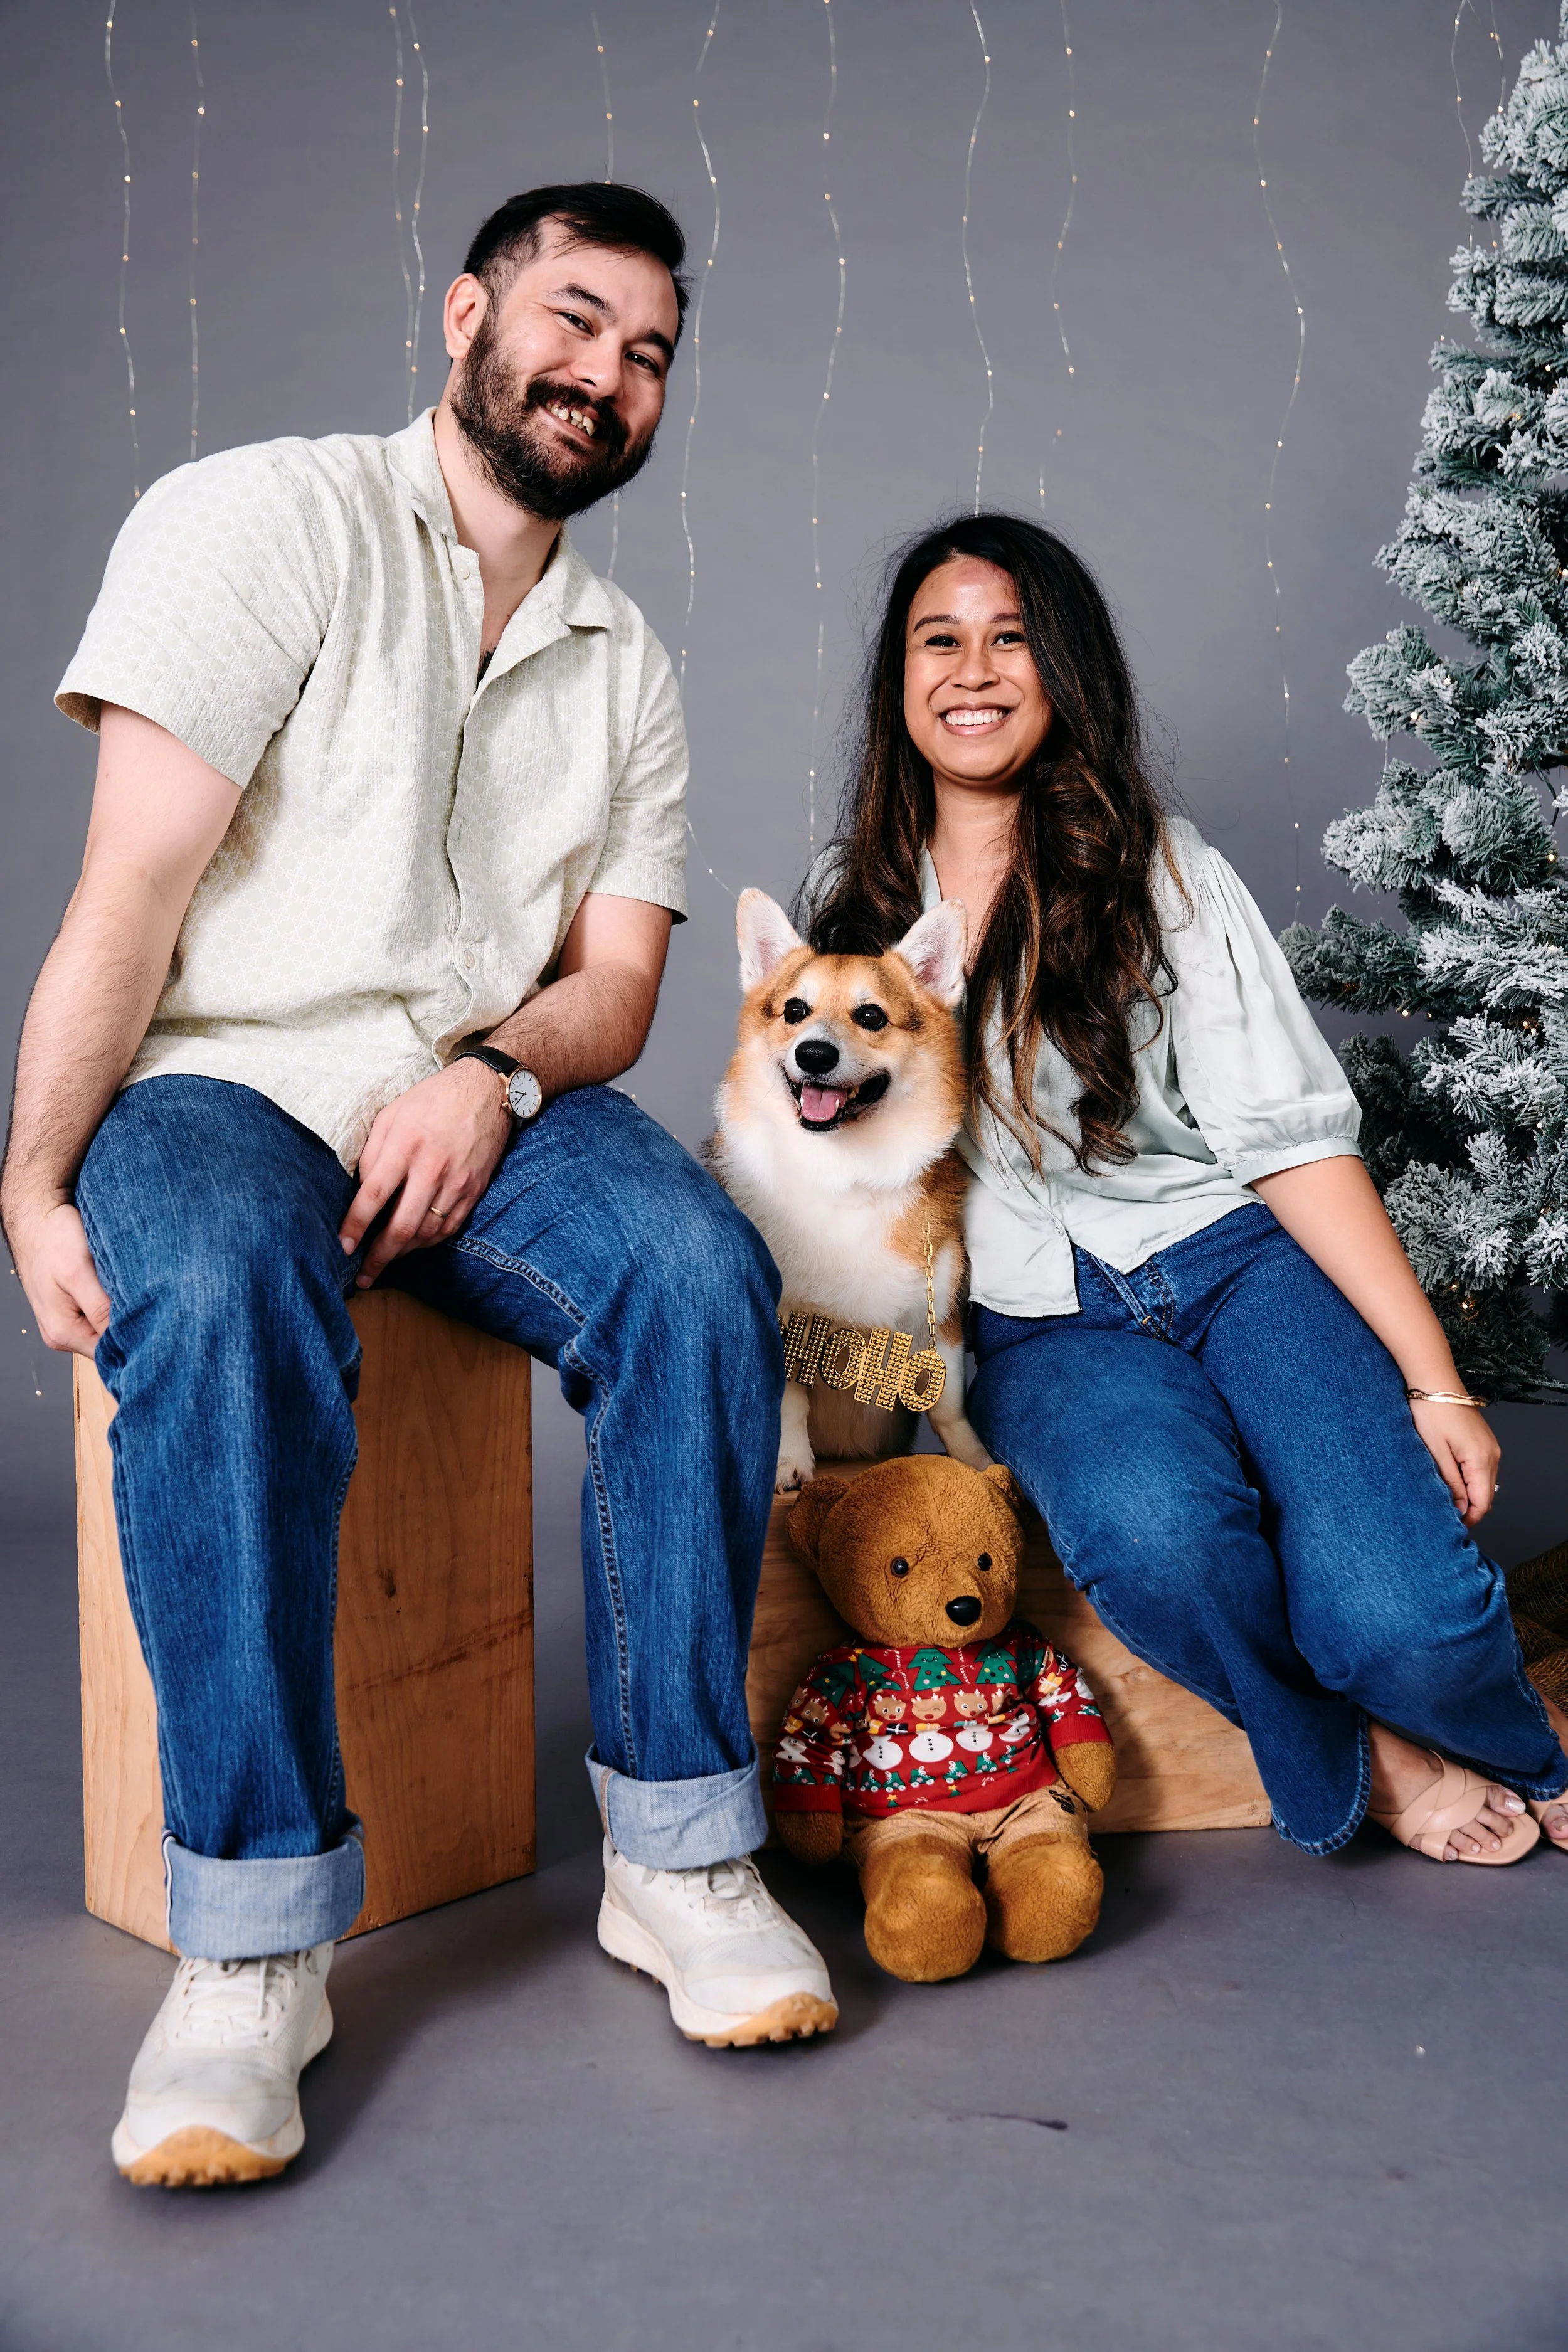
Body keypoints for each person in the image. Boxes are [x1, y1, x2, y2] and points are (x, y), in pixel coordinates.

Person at [2, 183, 835, 2191]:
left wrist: (484, 1070)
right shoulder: (261, 519)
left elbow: (619, 987)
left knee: (697, 1275)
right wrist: (31, 1182)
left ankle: (681, 1852)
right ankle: (254, 1944)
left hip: (473, 1093)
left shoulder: (622, 659)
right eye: (572, 319)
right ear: (465, 313)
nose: (604, 374)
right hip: (223, 1078)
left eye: (646, 351)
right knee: (210, 1285)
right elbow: (129, 893)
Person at [805, 510, 1568, 1875]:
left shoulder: (1158, 866)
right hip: (1045, 1327)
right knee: (1158, 1545)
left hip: (1237, 1265)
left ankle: (1517, 1743)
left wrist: (1431, 1376)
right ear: (898, 678)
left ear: (1062, 675)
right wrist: (852, 1378)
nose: (972, 671)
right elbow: (826, 1177)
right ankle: (1370, 1757)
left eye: (1010, 640)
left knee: (1397, 1616)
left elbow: (1289, 1139)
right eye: (939, 640)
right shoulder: (846, 910)